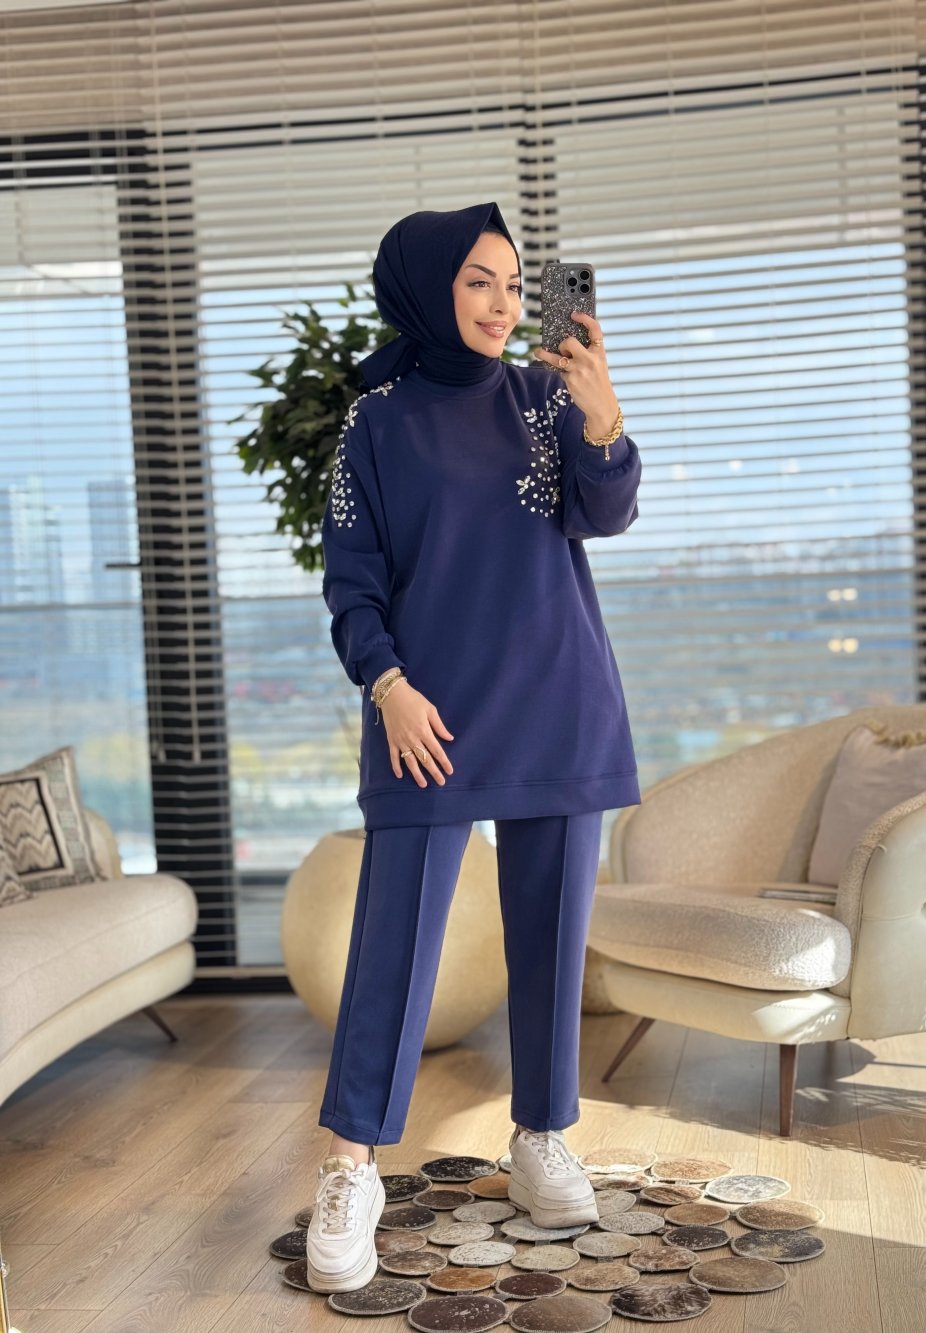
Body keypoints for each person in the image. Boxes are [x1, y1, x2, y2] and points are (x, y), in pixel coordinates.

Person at [306, 201, 642, 1293]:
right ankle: (351, 1166)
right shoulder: (376, 423)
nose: (502, 304)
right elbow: (350, 583)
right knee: (391, 946)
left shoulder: (546, 397)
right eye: (476, 282)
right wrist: (388, 686)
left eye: (511, 282)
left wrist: (602, 415)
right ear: (426, 288)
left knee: (551, 934)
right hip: (427, 719)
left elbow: (604, 515)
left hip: (557, 698)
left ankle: (542, 1135)